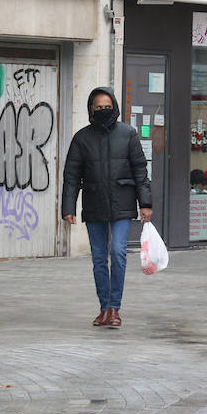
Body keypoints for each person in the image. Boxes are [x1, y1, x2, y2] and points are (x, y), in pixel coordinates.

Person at [61, 87, 152, 328]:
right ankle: (104, 309)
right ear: (91, 109)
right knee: (99, 258)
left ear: (114, 107)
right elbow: (71, 176)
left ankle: (115, 308)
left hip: (122, 202)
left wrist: (146, 203)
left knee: (118, 253)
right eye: (98, 107)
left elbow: (140, 171)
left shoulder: (128, 134)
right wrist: (68, 207)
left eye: (107, 107)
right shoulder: (82, 138)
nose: (103, 111)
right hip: (94, 204)